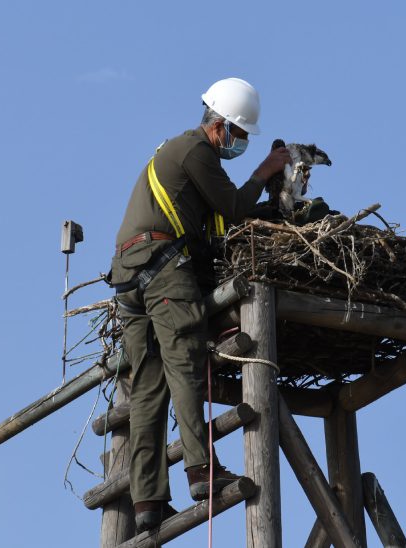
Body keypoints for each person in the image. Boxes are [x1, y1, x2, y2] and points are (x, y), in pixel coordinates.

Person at [109, 77, 291, 533]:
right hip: (163, 271)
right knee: (185, 365)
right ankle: (201, 472)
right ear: (222, 127)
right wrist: (264, 173)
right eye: (242, 136)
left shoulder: (176, 154)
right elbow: (231, 207)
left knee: (148, 390)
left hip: (130, 277)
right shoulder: (196, 151)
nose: (242, 144)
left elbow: (215, 225)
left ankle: (147, 502)